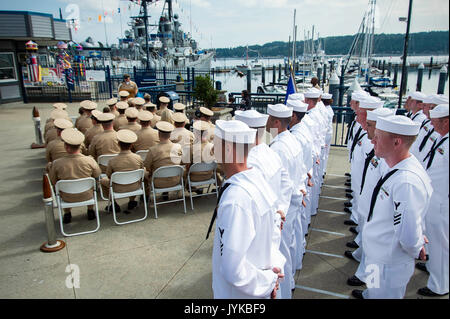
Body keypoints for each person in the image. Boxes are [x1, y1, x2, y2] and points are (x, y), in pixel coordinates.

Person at [352, 115, 432, 299]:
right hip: (375, 256)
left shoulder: (406, 181)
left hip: (387, 263)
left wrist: (417, 243)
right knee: (372, 291)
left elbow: (409, 234)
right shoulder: (392, 166)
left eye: (378, 137)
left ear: (396, 142)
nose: (372, 140)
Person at [210, 119, 283, 299]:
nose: (212, 149)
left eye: (215, 144)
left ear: (227, 150)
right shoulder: (256, 179)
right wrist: (272, 271)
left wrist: (267, 282)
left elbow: (232, 269)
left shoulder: (236, 200)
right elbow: (275, 231)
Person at [236, 110, 290, 296]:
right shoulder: (270, 151)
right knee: (274, 265)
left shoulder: (249, 162)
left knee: (256, 276)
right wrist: (281, 209)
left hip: (256, 229)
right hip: (271, 222)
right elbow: (286, 182)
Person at [346, 107, 394, 287]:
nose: (366, 128)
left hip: (377, 217)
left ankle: (367, 281)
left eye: (371, 126)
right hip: (368, 208)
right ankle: (368, 284)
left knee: (375, 259)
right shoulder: (379, 151)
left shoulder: (389, 161)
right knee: (368, 246)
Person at [266, 103, 305, 299]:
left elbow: (279, 183)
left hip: (284, 207)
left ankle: (286, 291)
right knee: (290, 246)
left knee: (281, 255)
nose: (265, 124)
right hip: (293, 201)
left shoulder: (278, 148)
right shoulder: (290, 139)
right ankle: (289, 285)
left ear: (275, 122)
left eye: (267, 119)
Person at [417, 104, 449, 297]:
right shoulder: (441, 139)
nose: (432, 124)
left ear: (446, 122)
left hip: (443, 202)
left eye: (435, 121)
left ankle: (440, 285)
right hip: (435, 199)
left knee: (441, 245)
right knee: (436, 244)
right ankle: (435, 271)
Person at [49, 128, 101, 224]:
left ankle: (67, 213)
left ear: (66, 147)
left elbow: (53, 181)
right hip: (87, 195)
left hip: (67, 197)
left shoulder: (57, 163)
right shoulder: (89, 160)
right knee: (93, 182)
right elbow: (97, 175)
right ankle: (90, 210)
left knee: (59, 186)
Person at [100, 129, 145, 213]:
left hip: (118, 188)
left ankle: (113, 203)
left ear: (118, 144)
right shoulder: (138, 158)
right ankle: (132, 200)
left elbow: (108, 175)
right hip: (135, 186)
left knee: (103, 180)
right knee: (139, 176)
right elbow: (142, 171)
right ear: (131, 145)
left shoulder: (112, 161)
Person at [143, 122, 183, 189]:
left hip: (158, 182)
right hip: (175, 180)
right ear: (170, 135)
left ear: (158, 134)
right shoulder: (178, 147)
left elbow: (147, 166)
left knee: (143, 171)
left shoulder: (153, 150)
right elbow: (181, 162)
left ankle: (146, 196)